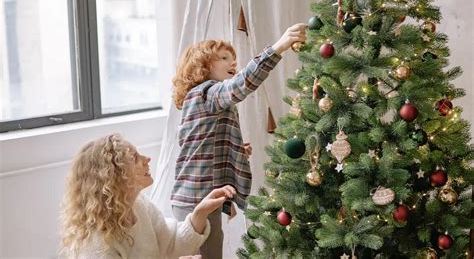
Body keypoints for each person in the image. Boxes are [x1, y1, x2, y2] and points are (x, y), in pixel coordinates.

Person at [171, 23, 307, 258]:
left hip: (197, 196)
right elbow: (242, 84)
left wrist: (234, 149)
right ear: (202, 65)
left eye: (233, 58)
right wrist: (278, 47)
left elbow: (199, 143)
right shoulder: (206, 92)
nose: (233, 62)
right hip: (196, 199)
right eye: (224, 57)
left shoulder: (202, 99)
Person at [60, 133, 236, 259]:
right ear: (115, 176)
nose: (147, 159)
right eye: (135, 158)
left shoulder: (139, 205)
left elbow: (172, 245)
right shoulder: (95, 241)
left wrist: (200, 213)